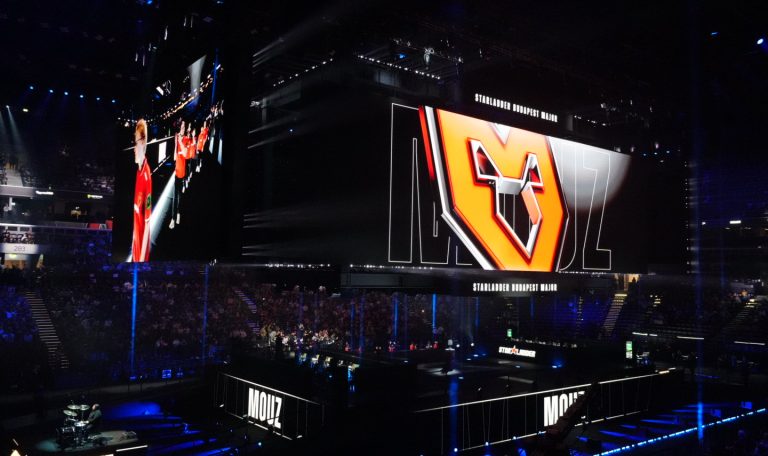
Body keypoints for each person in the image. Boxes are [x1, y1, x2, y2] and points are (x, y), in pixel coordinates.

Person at [131, 119, 151, 262]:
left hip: (141, 258)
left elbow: (147, 223)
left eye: (135, 143)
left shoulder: (146, 176)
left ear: (142, 142)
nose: (133, 149)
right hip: (135, 250)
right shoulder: (138, 172)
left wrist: (141, 261)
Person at [170, 121, 187, 229]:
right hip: (176, 171)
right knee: (174, 197)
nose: (183, 128)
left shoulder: (186, 139)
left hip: (182, 173)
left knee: (180, 196)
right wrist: (176, 144)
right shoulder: (177, 138)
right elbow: (174, 158)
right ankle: (173, 218)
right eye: (182, 126)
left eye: (184, 127)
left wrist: (180, 142)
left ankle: (178, 213)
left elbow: (185, 153)